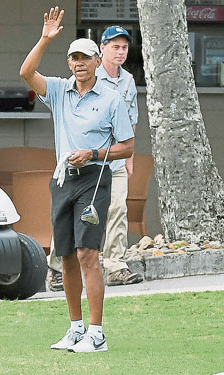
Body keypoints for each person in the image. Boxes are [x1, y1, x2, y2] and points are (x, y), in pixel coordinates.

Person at [20, 6, 134, 353]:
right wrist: (45, 39)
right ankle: (75, 329)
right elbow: (26, 72)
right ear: (69, 63)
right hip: (63, 180)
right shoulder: (58, 90)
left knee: (87, 253)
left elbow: (128, 147)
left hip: (94, 180)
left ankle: (96, 334)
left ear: (98, 62)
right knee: (67, 254)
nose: (79, 63)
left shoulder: (112, 98)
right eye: (73, 58)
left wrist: (93, 154)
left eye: (85, 57)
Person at [46, 25, 142, 291]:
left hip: (115, 160)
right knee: (68, 216)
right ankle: (56, 267)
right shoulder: (85, 73)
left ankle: (115, 266)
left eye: (124, 47)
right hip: (80, 167)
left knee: (117, 209)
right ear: (101, 51)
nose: (121, 52)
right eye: (115, 47)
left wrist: (128, 158)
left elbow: (130, 122)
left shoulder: (128, 81)